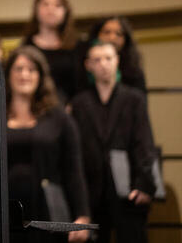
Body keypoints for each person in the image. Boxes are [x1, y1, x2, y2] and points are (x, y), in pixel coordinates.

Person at [0, 46, 91, 243]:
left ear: (41, 76)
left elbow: (74, 171)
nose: (24, 74)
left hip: (49, 212)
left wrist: (82, 215)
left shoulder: (60, 119)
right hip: (1, 214)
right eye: (18, 69)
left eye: (32, 69)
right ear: (7, 75)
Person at [70, 41, 155, 243]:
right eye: (97, 60)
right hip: (92, 190)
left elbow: (144, 142)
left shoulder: (134, 99)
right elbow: (75, 151)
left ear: (117, 61)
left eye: (108, 58)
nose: (103, 64)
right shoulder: (79, 103)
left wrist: (144, 184)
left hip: (128, 187)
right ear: (88, 65)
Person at [22, 0, 83, 104]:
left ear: (66, 11)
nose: (51, 9)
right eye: (45, 4)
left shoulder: (78, 46)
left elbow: (81, 85)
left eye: (57, 5)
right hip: (35, 109)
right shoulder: (26, 47)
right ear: (36, 9)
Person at [86, 16, 146, 93]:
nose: (112, 38)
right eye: (107, 32)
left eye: (119, 34)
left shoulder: (134, 69)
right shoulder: (84, 65)